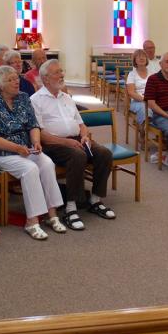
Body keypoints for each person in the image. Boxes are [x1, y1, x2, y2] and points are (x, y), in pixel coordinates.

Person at [0, 66, 65, 240]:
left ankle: (52, 215)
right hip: (0, 153)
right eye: (10, 79)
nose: (17, 81)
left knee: (47, 163)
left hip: (25, 148)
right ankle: (32, 222)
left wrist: (36, 141)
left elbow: (33, 125)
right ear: (0, 85)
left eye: (16, 78)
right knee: (30, 168)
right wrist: (17, 148)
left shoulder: (23, 98)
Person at [31, 60, 115, 231]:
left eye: (62, 71)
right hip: (53, 144)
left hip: (76, 139)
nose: (62, 75)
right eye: (57, 72)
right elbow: (40, 134)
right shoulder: (36, 100)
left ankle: (95, 200)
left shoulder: (66, 97)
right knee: (78, 155)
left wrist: (84, 136)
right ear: (46, 79)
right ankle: (71, 208)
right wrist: (66, 141)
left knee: (104, 153)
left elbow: (81, 123)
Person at [126, 49, 152, 125]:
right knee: (145, 109)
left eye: (143, 56)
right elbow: (131, 93)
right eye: (138, 57)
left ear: (146, 59)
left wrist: (151, 100)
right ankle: (143, 128)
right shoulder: (131, 74)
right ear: (135, 61)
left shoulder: (152, 74)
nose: (141, 58)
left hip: (151, 100)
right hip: (137, 101)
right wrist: (145, 99)